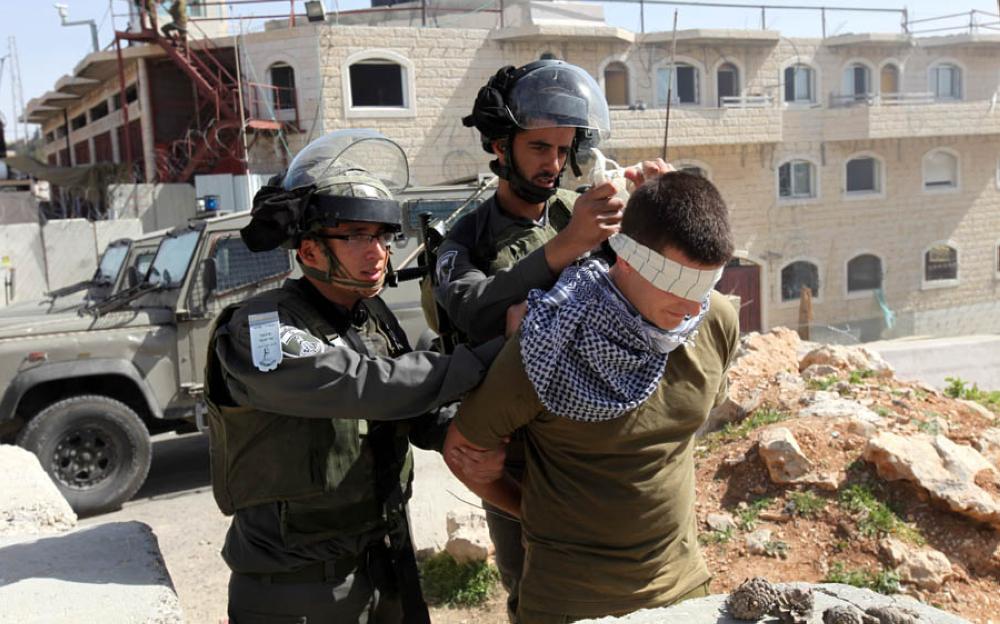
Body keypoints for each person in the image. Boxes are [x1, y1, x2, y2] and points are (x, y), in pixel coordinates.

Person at [205, 130, 505, 624]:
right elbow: (363, 383)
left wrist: (474, 434)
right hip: (298, 590)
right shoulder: (261, 329)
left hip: (384, 565)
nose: (378, 252)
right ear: (308, 252)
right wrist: (482, 358)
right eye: (356, 237)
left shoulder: (371, 317)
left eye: (383, 237)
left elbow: (414, 406)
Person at [444, 172, 740, 623]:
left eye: (703, 287)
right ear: (627, 259)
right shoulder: (549, 340)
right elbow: (463, 450)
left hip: (682, 588)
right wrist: (530, 510)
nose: (690, 306)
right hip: (571, 602)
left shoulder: (712, 321)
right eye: (677, 285)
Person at [434, 59, 671, 621]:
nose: (554, 164)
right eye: (539, 147)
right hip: (514, 450)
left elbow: (641, 288)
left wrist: (651, 209)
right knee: (533, 587)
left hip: (589, 436)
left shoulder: (577, 210)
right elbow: (474, 309)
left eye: (564, 150)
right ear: (499, 146)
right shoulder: (461, 237)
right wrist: (569, 245)